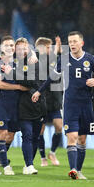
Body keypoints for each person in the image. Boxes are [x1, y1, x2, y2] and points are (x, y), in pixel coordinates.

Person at [33, 31, 94, 180]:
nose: (72, 44)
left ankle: (78, 170)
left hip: (86, 104)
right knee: (72, 136)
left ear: (81, 43)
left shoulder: (91, 59)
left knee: (82, 139)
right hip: (69, 104)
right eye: (70, 42)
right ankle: (73, 169)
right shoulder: (64, 59)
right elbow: (51, 78)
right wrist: (39, 92)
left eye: (74, 41)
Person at [0, 35, 28, 175]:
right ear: (1, 48)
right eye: (7, 45)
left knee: (10, 136)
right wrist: (18, 86)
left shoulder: (20, 63)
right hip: (2, 102)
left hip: (16, 104)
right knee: (2, 133)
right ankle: (5, 166)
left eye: (12, 45)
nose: (10, 48)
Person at [14, 38, 47, 175]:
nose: (22, 51)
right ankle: (29, 165)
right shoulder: (14, 63)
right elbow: (29, 81)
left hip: (39, 105)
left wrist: (13, 73)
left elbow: (32, 81)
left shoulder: (36, 60)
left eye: (24, 48)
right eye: (19, 49)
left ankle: (29, 164)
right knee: (27, 135)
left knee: (35, 137)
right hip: (23, 105)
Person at [35, 37, 63, 166]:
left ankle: (52, 152)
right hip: (42, 100)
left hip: (55, 99)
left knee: (59, 126)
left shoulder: (54, 60)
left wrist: (58, 49)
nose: (50, 49)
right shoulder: (34, 61)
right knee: (41, 129)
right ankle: (42, 157)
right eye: (48, 47)